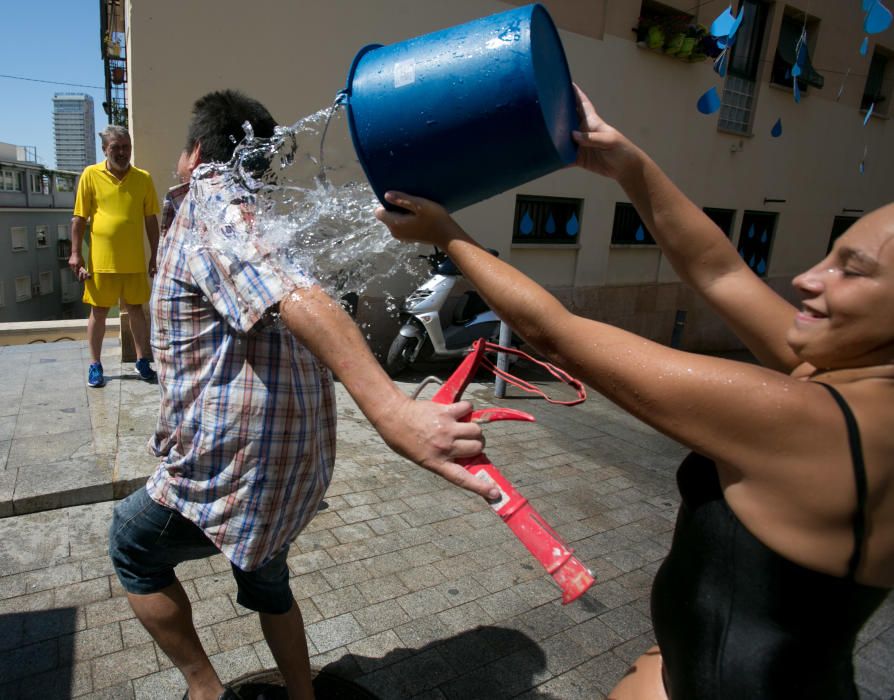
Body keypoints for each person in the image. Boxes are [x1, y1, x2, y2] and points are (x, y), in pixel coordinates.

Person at [375, 84, 893, 700]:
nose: (808, 279)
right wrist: (625, 162)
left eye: (852, 270)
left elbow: (558, 336)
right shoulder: (846, 380)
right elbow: (719, 271)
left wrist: (449, 237)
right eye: (828, 256)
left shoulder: (808, 419)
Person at [108, 90, 497, 700]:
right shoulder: (261, 215)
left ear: (195, 153)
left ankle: (206, 693)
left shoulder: (214, 200)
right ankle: (302, 694)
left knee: (130, 546)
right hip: (295, 468)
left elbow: (294, 295)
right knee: (266, 578)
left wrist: (393, 411)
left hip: (235, 469)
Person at [70, 125, 161, 388]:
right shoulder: (90, 174)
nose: (122, 153)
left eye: (126, 147)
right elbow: (79, 218)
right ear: (104, 149)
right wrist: (76, 253)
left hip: (134, 261)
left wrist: (155, 254)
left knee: (137, 311)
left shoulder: (143, 178)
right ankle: (95, 365)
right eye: (116, 148)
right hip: (101, 262)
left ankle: (143, 361)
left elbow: (151, 220)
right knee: (98, 312)